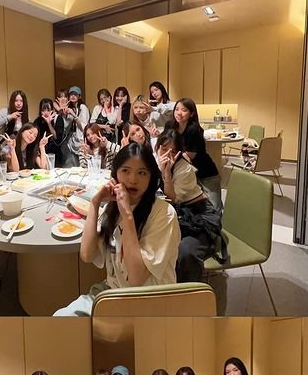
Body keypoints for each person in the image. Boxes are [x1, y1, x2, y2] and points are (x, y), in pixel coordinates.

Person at [53, 143, 181, 316]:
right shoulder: (112, 209)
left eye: (142, 173)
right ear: (115, 174)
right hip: (113, 293)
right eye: (126, 171)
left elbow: (136, 279)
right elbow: (87, 255)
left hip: (149, 303)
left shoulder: (164, 214)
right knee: (60, 319)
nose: (133, 179)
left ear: (151, 177)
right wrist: (95, 203)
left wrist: (127, 215)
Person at [155, 128, 223, 283]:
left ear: (180, 152)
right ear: (157, 147)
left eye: (173, 151)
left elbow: (171, 199)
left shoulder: (184, 169)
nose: (168, 154)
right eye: (164, 148)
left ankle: (188, 291)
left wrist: (166, 175)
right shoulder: (157, 162)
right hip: (179, 215)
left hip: (200, 216)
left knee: (185, 251)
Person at [166, 100, 222, 210]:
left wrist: (173, 151)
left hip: (206, 172)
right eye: (176, 109)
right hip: (187, 173)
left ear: (191, 114)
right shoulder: (170, 126)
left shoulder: (194, 129)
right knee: (195, 206)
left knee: (214, 206)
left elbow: (190, 156)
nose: (179, 113)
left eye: (184, 110)